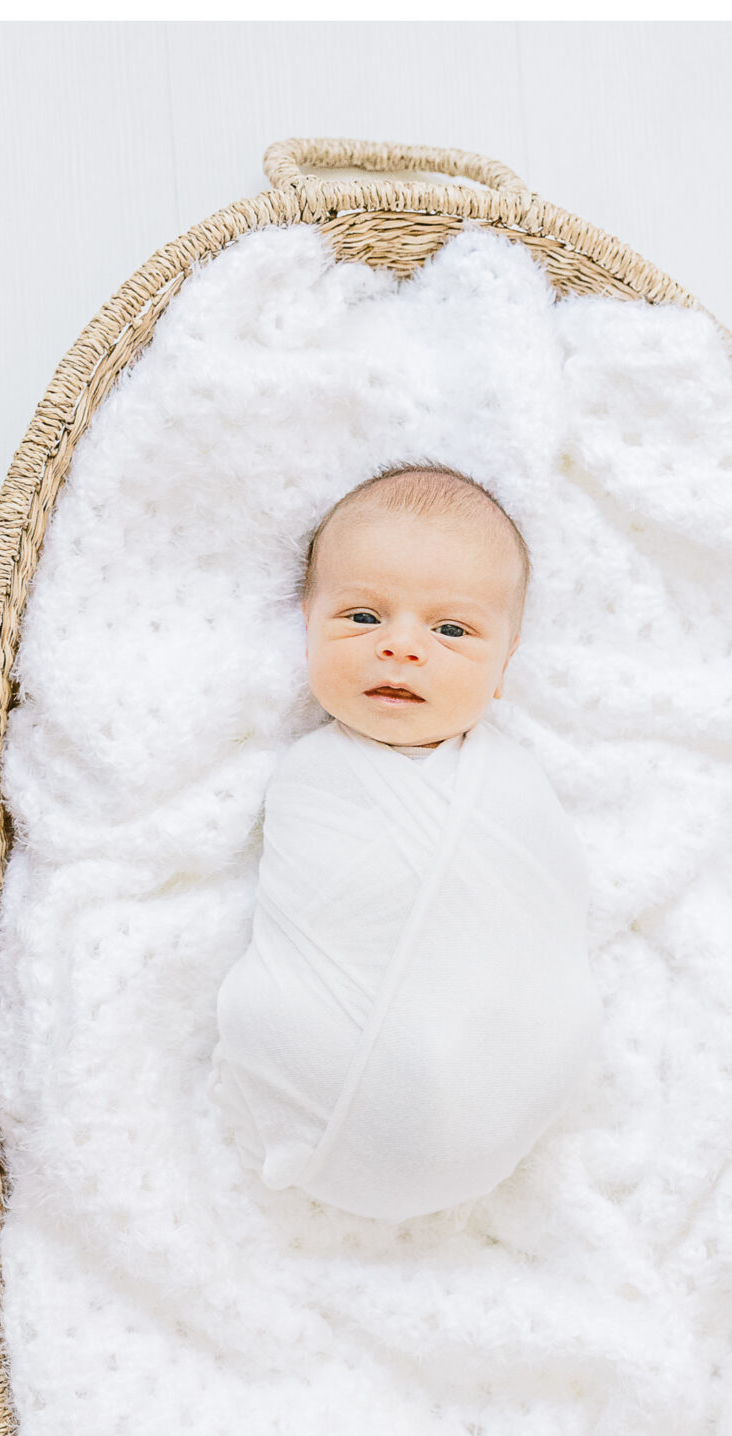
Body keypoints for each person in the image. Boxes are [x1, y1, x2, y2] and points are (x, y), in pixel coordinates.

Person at [212, 464, 601, 1222]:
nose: (399, 648)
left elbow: (543, 926)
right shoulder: (305, 773)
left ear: (504, 666)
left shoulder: (514, 785)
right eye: (361, 617)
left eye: (450, 630)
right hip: (310, 1076)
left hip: (491, 1096)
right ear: (305, 622)